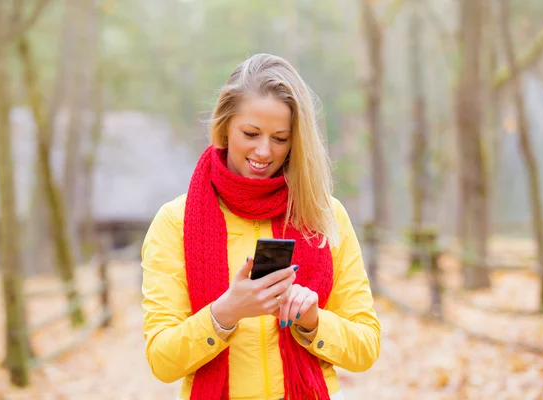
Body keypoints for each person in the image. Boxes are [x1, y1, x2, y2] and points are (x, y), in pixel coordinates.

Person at [141, 53, 381, 400]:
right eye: (250, 133)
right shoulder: (174, 222)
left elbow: (366, 347)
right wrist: (225, 312)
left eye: (280, 138)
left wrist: (314, 322)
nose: (264, 151)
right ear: (224, 125)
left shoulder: (324, 215)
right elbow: (162, 361)